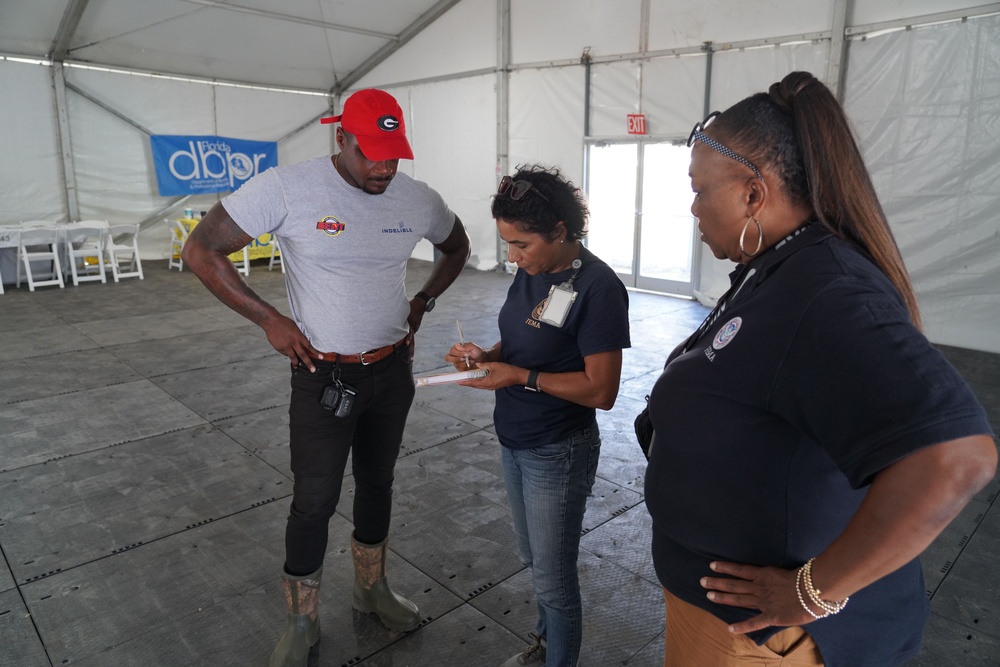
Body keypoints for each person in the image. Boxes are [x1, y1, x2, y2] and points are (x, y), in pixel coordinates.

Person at [642, 70, 997, 667]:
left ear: (754, 194)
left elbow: (955, 457)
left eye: (701, 190)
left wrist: (813, 592)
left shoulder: (826, 292)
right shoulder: (777, 267)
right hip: (723, 616)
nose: (694, 208)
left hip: (761, 638)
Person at [181, 88, 471, 667]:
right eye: (372, 154)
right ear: (342, 140)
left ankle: (371, 589)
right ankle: (301, 619)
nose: (385, 168)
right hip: (322, 376)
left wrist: (422, 302)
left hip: (392, 372)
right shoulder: (287, 189)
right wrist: (270, 320)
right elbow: (201, 251)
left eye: (395, 155)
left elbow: (457, 246)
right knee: (314, 500)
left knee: (379, 483)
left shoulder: (415, 199)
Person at [444, 165, 631, 667]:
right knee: (534, 560)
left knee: (554, 579)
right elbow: (527, 340)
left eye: (521, 244)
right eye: (506, 244)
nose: (512, 256)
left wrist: (517, 376)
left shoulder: (598, 288)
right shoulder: (534, 274)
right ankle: (548, 645)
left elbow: (602, 390)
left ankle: (558, 656)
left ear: (561, 232)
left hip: (558, 449)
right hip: (516, 439)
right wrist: (489, 355)